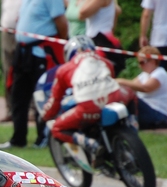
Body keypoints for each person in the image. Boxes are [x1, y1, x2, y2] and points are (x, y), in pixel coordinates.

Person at [39, 35, 135, 166]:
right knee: (132, 94)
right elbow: (110, 77)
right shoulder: (103, 60)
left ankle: (92, 145)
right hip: (116, 97)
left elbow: (55, 101)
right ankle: (133, 128)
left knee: (56, 128)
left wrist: (45, 116)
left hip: (88, 107)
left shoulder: (63, 70)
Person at [0, 0, 67, 150]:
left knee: (41, 96)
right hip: (23, 53)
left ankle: (43, 137)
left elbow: (61, 23)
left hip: (40, 53)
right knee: (18, 95)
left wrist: (60, 44)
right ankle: (18, 138)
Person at [116, 46, 167, 130]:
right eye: (139, 63)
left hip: (157, 114)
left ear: (153, 61)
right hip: (149, 112)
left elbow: (146, 88)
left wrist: (121, 81)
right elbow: (131, 87)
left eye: (142, 62)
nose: (140, 66)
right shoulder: (144, 75)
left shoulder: (160, 73)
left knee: (131, 98)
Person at [79, 0, 125, 76]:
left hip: (101, 40)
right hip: (101, 37)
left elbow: (82, 13)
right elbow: (117, 10)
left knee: (99, 74)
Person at [0, 0, 21, 123]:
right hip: (6, 30)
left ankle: (31, 110)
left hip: (23, 31)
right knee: (7, 73)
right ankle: (10, 110)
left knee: (24, 72)